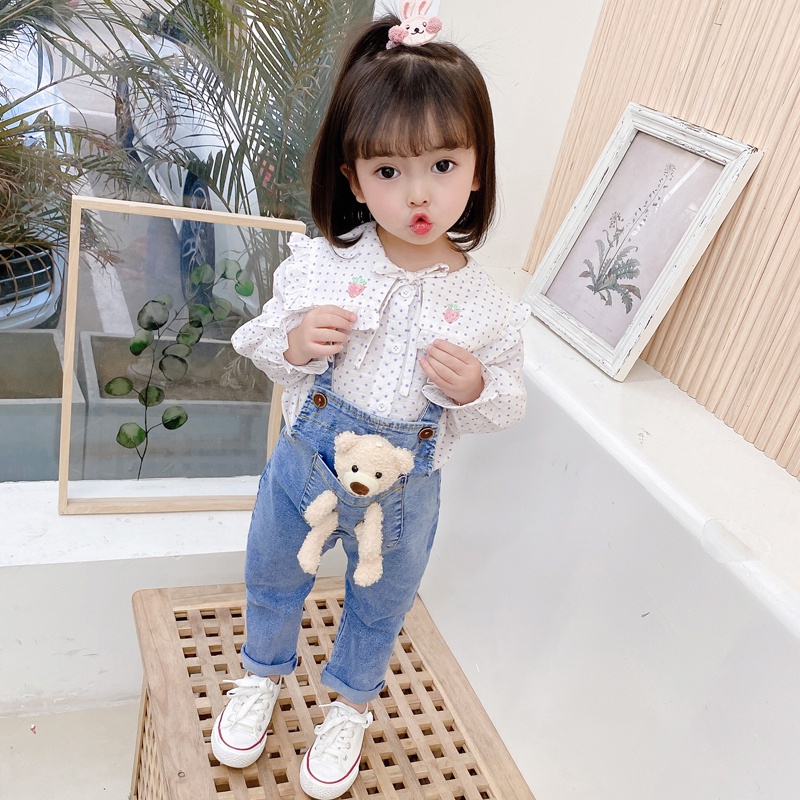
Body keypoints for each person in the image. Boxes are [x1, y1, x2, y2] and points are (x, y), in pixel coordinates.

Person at [211, 11, 528, 799]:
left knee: (380, 604)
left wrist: (475, 389)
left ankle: (350, 706)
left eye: (443, 164)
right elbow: (257, 339)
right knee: (272, 575)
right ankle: (261, 675)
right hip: (304, 470)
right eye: (388, 170)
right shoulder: (322, 264)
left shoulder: (489, 307)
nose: (418, 192)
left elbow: (509, 403)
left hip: (406, 495)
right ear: (353, 179)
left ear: (478, 169)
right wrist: (295, 343)